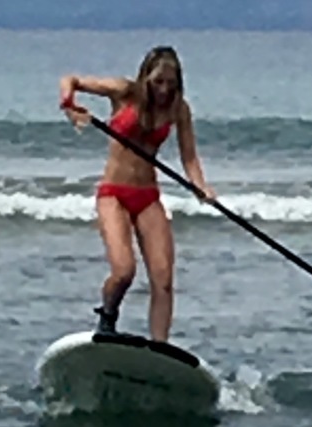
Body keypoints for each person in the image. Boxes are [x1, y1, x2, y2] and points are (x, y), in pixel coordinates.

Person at [57, 45, 217, 342]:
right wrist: (69, 105)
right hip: (113, 194)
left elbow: (189, 157)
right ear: (145, 77)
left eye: (170, 83)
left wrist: (200, 186)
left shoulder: (178, 108)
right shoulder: (123, 92)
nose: (163, 89)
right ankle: (107, 317)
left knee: (163, 278)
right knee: (124, 271)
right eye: (158, 82)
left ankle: (160, 347)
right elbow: (71, 80)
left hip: (147, 196)